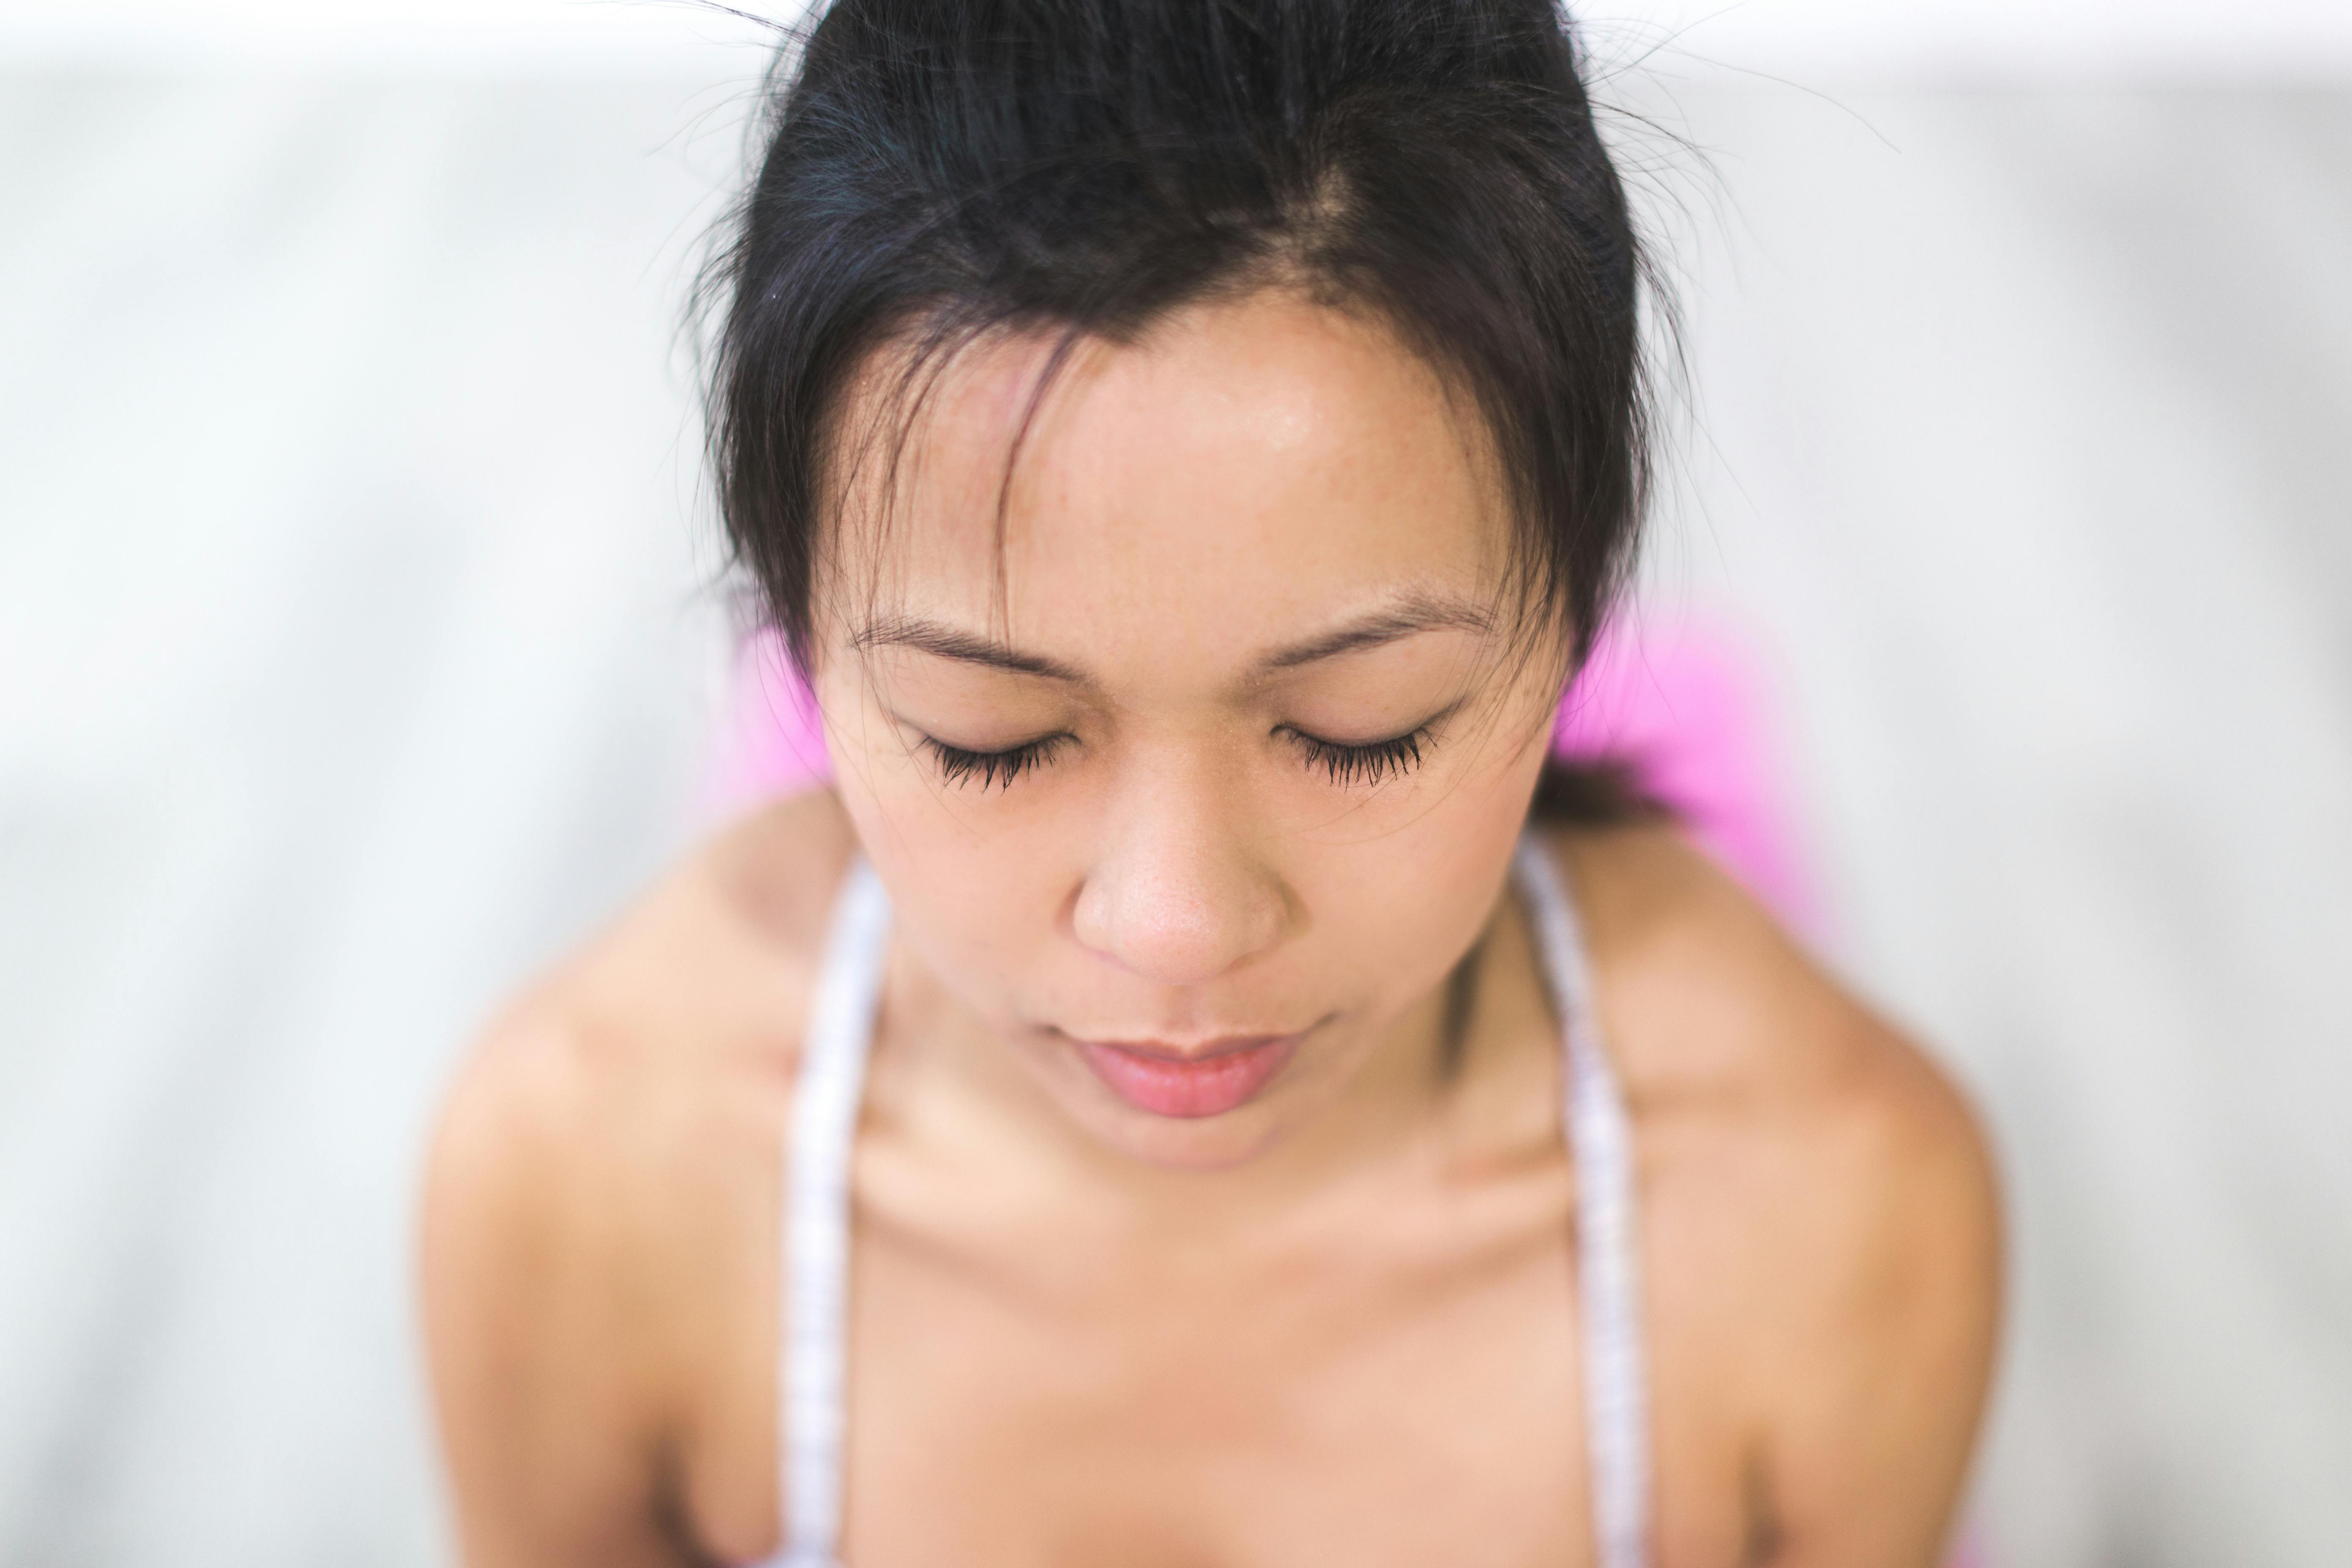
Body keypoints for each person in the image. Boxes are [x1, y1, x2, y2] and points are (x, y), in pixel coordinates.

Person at [421, 1, 2001, 1563]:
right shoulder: (587, 1180)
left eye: (1360, 727)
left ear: (1575, 623)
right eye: (991, 736)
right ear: (810, 649)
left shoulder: (1831, 1214)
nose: (1175, 932)